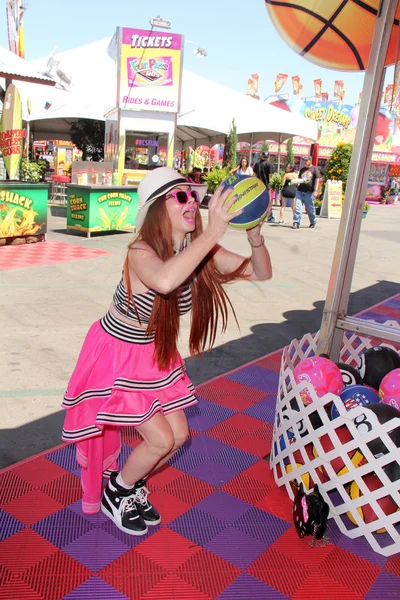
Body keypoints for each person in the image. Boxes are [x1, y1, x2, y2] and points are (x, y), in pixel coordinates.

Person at [61, 167, 272, 536]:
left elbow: (261, 272)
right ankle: (118, 491)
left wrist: (255, 239)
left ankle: (130, 484)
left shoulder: (198, 249)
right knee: (159, 439)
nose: (191, 201)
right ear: (159, 208)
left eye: (192, 195)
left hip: (153, 355)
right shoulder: (140, 251)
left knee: (178, 437)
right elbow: (164, 280)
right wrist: (213, 232)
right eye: (180, 196)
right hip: (117, 355)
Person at [292, 156, 321, 229]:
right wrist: (296, 182)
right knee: (298, 207)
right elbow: (299, 179)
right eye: (304, 161)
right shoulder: (302, 169)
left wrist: (315, 190)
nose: (305, 162)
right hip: (300, 191)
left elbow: (317, 180)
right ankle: (296, 222)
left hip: (309, 192)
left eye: (306, 160)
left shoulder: (314, 169)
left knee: (310, 209)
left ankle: (313, 222)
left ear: (310, 161)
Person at [253, 151, 275, 223]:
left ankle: (257, 216)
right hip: (266, 185)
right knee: (268, 202)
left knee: (258, 201)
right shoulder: (269, 164)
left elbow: (254, 174)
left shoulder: (257, 164)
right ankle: (270, 216)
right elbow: (270, 175)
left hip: (258, 185)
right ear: (268, 156)